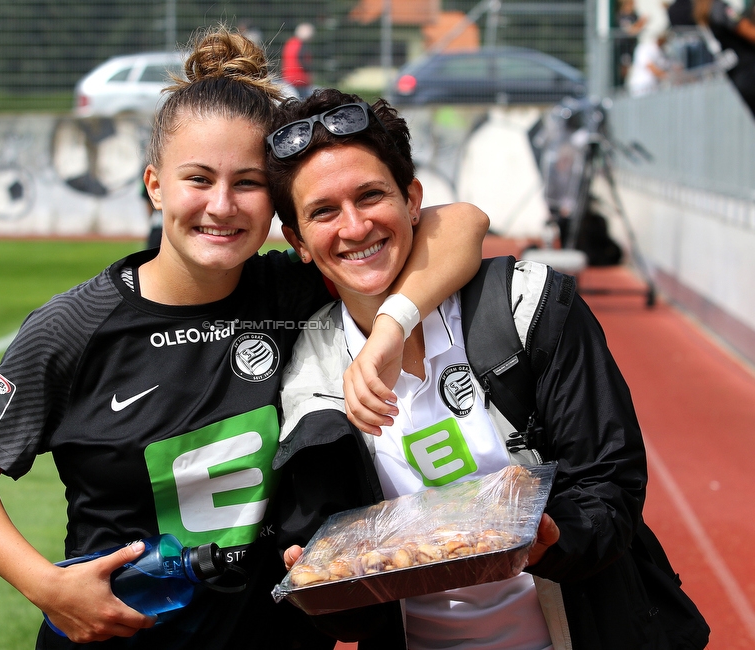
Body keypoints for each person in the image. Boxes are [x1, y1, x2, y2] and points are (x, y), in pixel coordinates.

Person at [0, 28, 489, 650]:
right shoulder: (74, 328)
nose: (222, 205)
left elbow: (461, 222)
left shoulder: (293, 289)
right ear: (155, 184)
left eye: (247, 183)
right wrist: (45, 586)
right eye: (198, 178)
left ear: (275, 208)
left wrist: (390, 324)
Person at [267, 89, 708, 649]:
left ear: (412, 200)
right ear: (298, 241)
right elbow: (351, 612)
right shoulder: (307, 374)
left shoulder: (529, 307)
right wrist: (327, 589)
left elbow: (611, 488)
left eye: (371, 195)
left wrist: (555, 539)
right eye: (323, 212)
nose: (354, 227)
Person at [694, 0, 755, 114]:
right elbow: (749, 32)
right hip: (749, 70)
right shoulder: (720, 8)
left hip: (737, 76)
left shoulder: (702, 15)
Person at [627, 30, 675, 96]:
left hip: (654, 87)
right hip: (641, 87)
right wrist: (668, 77)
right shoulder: (644, 48)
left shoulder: (663, 52)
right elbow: (651, 67)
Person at [282, 23, 315, 99]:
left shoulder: (290, 43)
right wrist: (309, 72)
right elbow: (301, 59)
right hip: (299, 79)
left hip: (288, 77)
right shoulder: (301, 45)